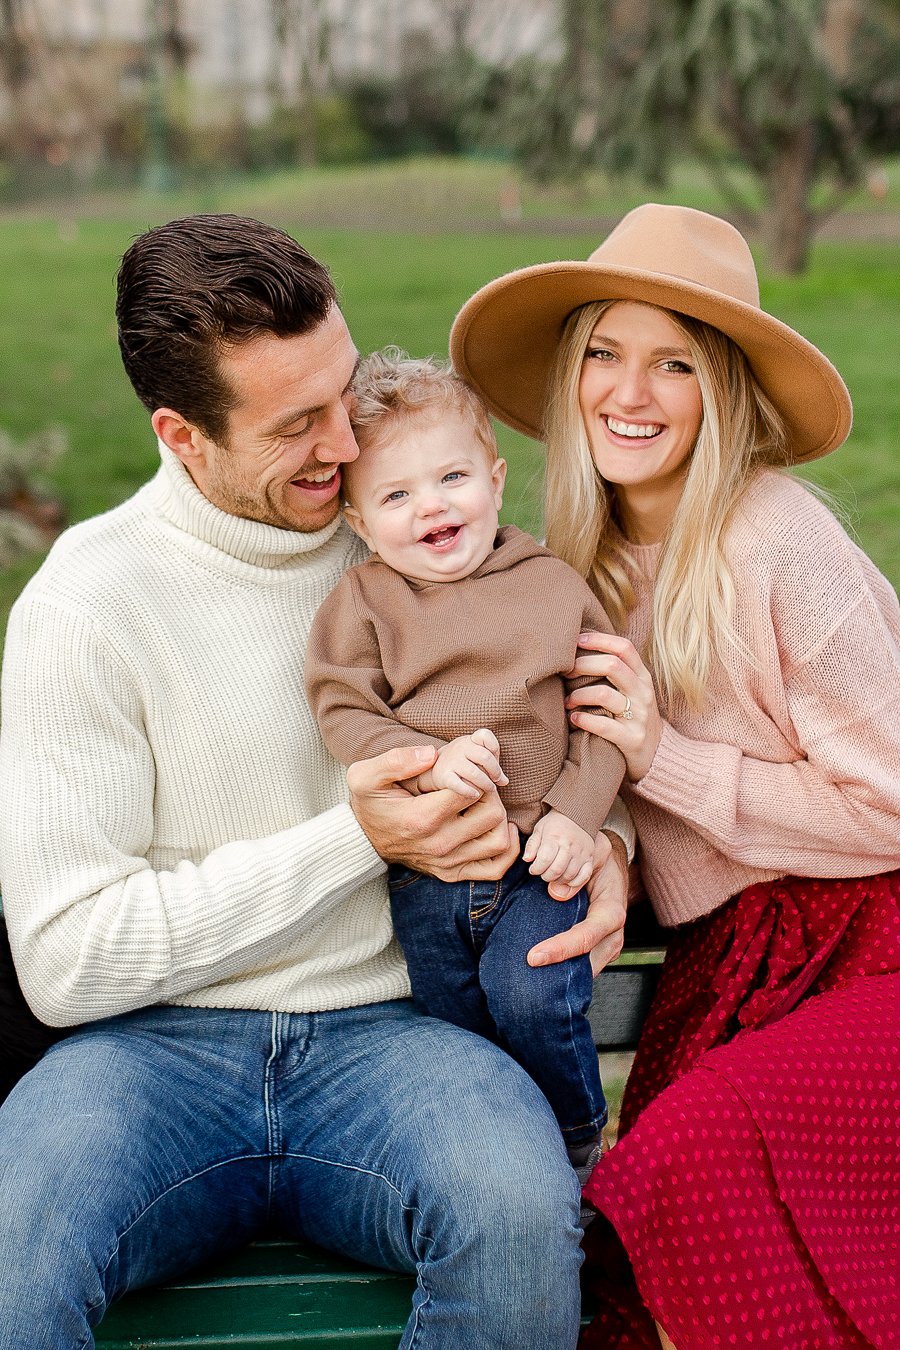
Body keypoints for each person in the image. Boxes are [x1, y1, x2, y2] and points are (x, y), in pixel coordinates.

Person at [0, 213, 631, 1350]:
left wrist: (606, 842)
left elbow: (556, 716)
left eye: (343, 394)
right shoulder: (87, 605)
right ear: (183, 435)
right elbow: (65, 960)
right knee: (12, 1249)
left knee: (522, 1221)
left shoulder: (419, 529)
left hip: (397, 1034)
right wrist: (354, 836)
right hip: (149, 1053)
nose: (347, 446)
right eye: (296, 426)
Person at [450, 202, 900, 1349]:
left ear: (723, 393)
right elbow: (623, 804)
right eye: (603, 353)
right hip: (733, 960)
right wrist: (603, 841)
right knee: (622, 1251)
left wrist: (668, 761)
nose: (628, 393)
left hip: (870, 952)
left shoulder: (776, 541)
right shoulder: (571, 566)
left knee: (685, 1164)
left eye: (673, 365)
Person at [305, 349, 627, 1185]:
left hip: (538, 862)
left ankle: (575, 1140)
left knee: (531, 990)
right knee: (456, 1032)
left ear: (494, 475)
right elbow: (344, 707)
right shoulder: (365, 603)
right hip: (431, 870)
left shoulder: (551, 585)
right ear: (359, 522)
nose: (432, 507)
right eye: (397, 495)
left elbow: (602, 721)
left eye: (452, 476)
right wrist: (425, 763)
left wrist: (575, 816)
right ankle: (493, 1166)